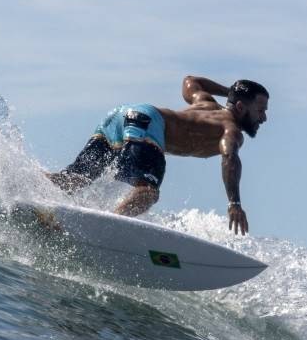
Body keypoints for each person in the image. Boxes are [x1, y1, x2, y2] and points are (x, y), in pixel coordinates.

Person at [48, 76, 269, 235]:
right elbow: (229, 157)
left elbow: (190, 81)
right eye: (260, 111)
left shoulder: (205, 102)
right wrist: (234, 203)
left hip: (120, 115)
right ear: (240, 107)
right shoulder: (231, 130)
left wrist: (230, 90)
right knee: (147, 193)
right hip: (147, 122)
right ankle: (102, 231)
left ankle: (24, 182)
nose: (264, 118)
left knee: (74, 180)